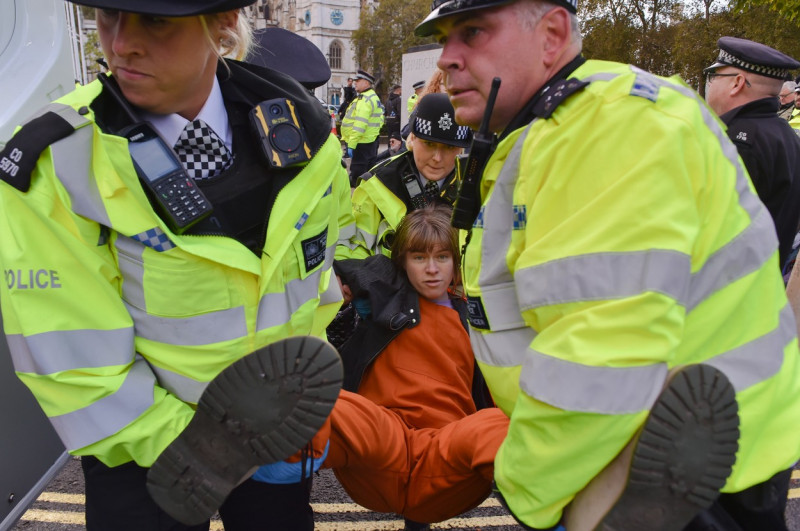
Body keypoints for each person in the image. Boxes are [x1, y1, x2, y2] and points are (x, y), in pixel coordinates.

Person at [415, 1, 800, 530]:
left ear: (551, 34)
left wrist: (526, 483)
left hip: (668, 473)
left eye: (473, 32)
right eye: (443, 39)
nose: (448, 57)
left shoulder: (606, 124)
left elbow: (604, 347)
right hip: (628, 452)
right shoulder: (558, 122)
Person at [0, 1, 354, 529]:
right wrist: (207, 453)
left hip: (273, 434)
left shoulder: (309, 139)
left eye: (155, 20)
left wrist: (307, 392)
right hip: (140, 459)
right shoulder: (58, 163)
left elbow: (311, 286)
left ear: (224, 21)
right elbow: (75, 363)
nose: (120, 44)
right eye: (107, 16)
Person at [324, 204, 508, 530]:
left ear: (457, 261)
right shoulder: (385, 296)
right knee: (326, 407)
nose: (432, 269)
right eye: (419, 258)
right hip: (382, 446)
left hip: (444, 457)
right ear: (403, 263)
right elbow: (343, 269)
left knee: (496, 426)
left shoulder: (474, 320)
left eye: (442, 257)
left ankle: (565, 512)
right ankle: (242, 455)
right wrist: (350, 287)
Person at [703, 36, 800, 271]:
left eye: (713, 76)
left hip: (723, 293)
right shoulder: (787, 136)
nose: (709, 84)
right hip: (761, 289)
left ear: (737, 82)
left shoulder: (735, 143)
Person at [349, 93, 472, 258]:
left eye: (449, 148)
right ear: (412, 139)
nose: (437, 158)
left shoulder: (476, 187)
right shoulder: (376, 183)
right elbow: (354, 253)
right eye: (429, 144)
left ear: (460, 150)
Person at [341, 69, 385, 187]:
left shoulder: (365, 99)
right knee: (368, 173)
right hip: (369, 141)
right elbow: (380, 119)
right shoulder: (373, 97)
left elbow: (360, 124)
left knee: (357, 176)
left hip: (361, 142)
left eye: (358, 81)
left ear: (366, 83)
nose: (355, 83)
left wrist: (352, 144)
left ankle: (356, 202)